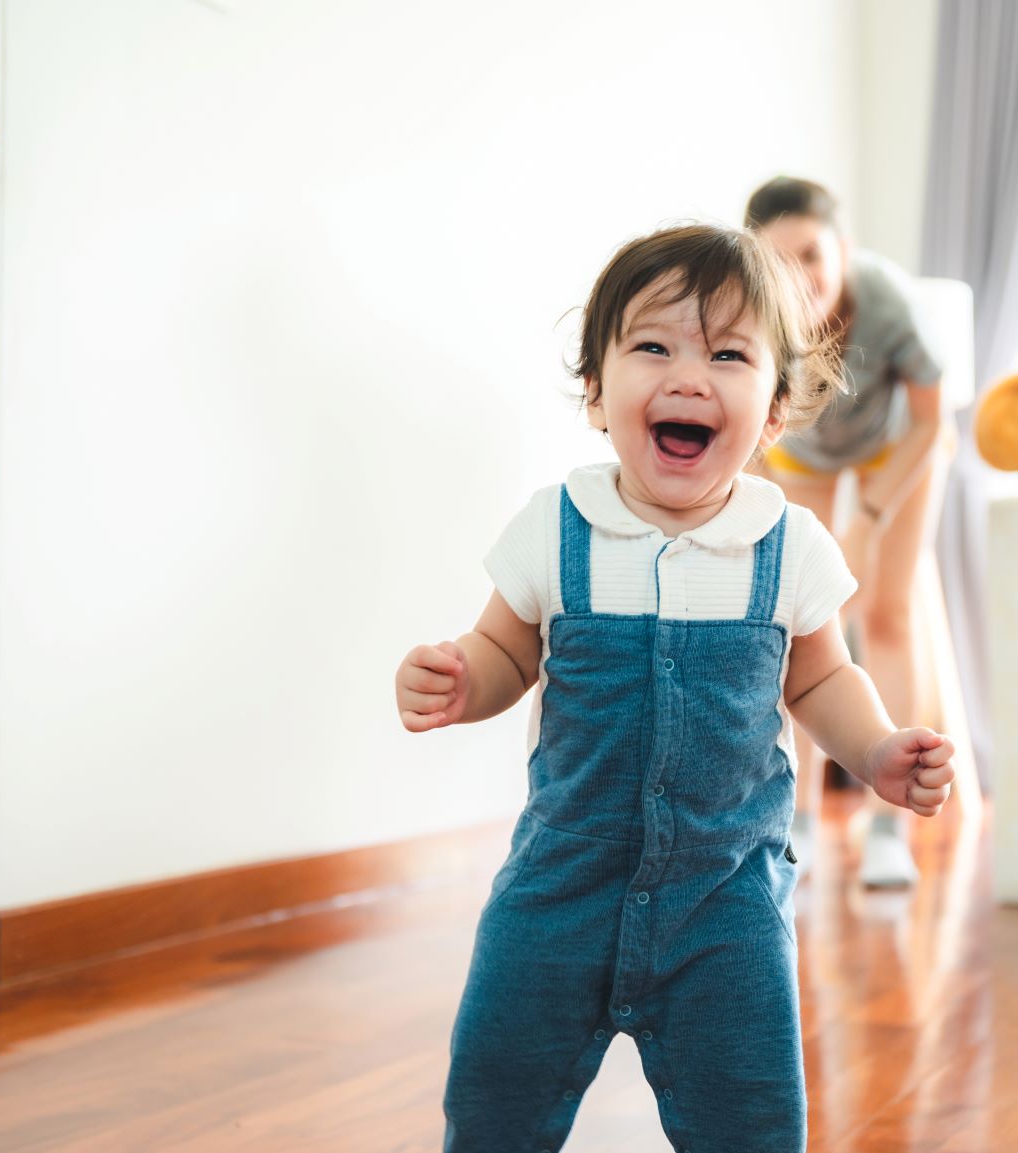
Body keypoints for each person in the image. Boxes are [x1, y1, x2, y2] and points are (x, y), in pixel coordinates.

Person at [394, 223, 958, 1152]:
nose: (688, 377)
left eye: (728, 354)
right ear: (595, 390)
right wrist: (462, 677)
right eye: (652, 346)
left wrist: (876, 750)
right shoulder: (555, 527)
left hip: (723, 906)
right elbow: (505, 648)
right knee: (494, 1103)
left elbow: (821, 675)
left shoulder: (788, 547)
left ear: (774, 408)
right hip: (555, 896)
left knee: (752, 1118)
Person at [746, 176, 950, 888]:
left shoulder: (889, 304)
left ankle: (889, 828)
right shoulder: (748, 309)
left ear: (843, 250)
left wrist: (868, 516)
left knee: (885, 616)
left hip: (896, 447)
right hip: (797, 451)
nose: (798, 279)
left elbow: (933, 420)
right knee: (801, 624)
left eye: (810, 255)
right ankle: (794, 824)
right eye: (778, 262)